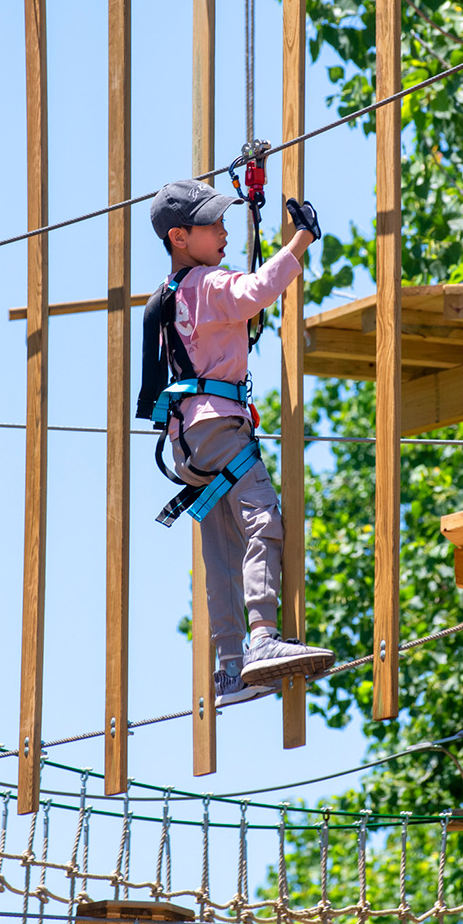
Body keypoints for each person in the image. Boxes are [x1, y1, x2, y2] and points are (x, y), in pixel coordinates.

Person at [136, 178, 335, 707]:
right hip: (219, 426)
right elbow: (256, 292)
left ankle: (229, 667)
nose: (225, 231)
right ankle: (263, 638)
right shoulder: (206, 283)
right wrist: (300, 241)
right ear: (180, 236)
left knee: (221, 545)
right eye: (213, 224)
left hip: (187, 440)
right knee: (261, 520)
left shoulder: (171, 293)